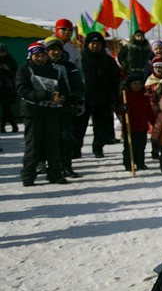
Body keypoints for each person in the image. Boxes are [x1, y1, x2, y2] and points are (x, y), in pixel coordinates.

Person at [16, 42, 70, 186]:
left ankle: (55, 174)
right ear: (30, 56)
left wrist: (63, 98)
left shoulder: (55, 71)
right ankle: (28, 176)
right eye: (37, 56)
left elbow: (63, 89)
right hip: (32, 113)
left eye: (42, 56)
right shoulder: (25, 70)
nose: (40, 59)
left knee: (53, 145)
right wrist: (48, 95)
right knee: (33, 146)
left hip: (51, 112)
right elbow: (24, 91)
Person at [77, 31, 121, 159]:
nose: (95, 46)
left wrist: (112, 97)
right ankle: (75, 149)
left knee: (100, 126)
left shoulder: (108, 60)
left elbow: (115, 79)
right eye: (92, 44)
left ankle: (98, 148)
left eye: (98, 44)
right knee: (80, 126)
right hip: (84, 98)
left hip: (102, 99)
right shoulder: (81, 58)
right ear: (87, 45)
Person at [44, 37, 84, 178]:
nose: (56, 52)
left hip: (65, 108)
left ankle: (66, 167)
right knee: (49, 139)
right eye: (52, 50)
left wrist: (72, 97)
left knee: (65, 138)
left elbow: (79, 86)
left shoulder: (69, 66)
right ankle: (50, 168)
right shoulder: (42, 66)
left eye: (58, 49)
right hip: (45, 109)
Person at [117, 74, 156, 172]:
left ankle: (140, 162)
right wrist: (123, 109)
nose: (137, 86)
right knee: (129, 145)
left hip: (142, 126)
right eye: (134, 84)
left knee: (141, 146)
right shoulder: (125, 96)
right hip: (130, 126)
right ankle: (128, 163)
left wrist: (154, 122)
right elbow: (118, 110)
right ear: (130, 85)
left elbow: (149, 112)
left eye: (139, 84)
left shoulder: (144, 96)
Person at [0, 43, 19, 133]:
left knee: (6, 107)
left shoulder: (10, 60)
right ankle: (12, 126)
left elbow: (14, 73)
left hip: (7, 87)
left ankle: (4, 126)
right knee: (6, 108)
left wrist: (7, 68)